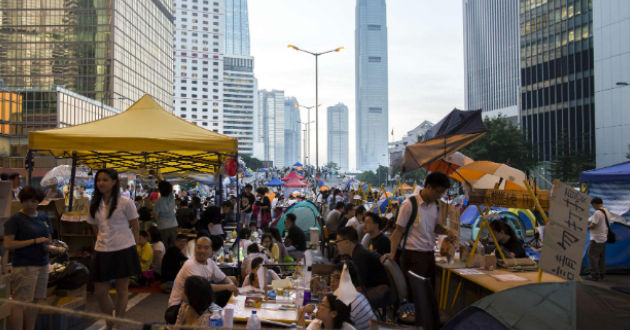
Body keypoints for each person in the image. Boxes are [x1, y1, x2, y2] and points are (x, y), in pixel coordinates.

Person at [87, 168, 141, 330]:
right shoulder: (94, 203)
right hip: (102, 250)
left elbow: (135, 226)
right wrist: (102, 238)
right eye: (99, 180)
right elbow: (94, 226)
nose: (101, 183)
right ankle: (110, 320)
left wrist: (135, 247)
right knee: (100, 291)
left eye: (105, 180)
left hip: (124, 248)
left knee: (122, 290)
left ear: (114, 182)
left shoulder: (125, 202)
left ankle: (118, 323)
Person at [384, 172, 455, 294]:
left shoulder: (437, 205)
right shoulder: (409, 204)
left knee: (428, 292)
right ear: (428, 187)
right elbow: (398, 231)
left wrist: (447, 232)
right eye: (438, 191)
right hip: (412, 256)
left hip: (429, 255)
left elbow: (436, 227)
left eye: (442, 192)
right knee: (413, 294)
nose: (440, 195)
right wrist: (392, 253)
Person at [4, 186, 59, 330]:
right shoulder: (15, 219)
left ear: (39, 202)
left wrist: (52, 248)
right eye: (26, 201)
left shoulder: (43, 218)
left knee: (35, 301)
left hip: (42, 263)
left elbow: (47, 240)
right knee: (20, 303)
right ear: (22, 201)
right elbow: (8, 244)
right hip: (24, 265)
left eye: (34, 201)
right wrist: (33, 241)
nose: (30, 204)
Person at [165, 236, 239, 324]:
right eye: (199, 247)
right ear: (195, 248)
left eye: (206, 248)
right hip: (178, 307)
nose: (202, 251)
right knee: (222, 291)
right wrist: (228, 286)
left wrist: (231, 286)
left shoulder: (210, 262)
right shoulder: (190, 265)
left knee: (226, 291)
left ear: (211, 250)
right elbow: (202, 289)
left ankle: (216, 317)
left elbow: (224, 279)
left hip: (198, 301)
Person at [336, 227, 390, 307]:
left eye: (338, 241)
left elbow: (360, 287)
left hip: (381, 290)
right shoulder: (358, 251)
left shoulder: (360, 255)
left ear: (347, 242)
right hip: (376, 286)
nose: (336, 244)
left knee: (342, 300)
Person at [329, 262, 376, 330]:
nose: (332, 280)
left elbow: (336, 326)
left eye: (337, 277)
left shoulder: (349, 302)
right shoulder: (351, 294)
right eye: (332, 276)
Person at [587, 197, 611, 281]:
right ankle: (601, 274)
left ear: (595, 204)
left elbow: (594, 225)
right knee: (601, 257)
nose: (592, 207)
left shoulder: (597, 212)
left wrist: (586, 227)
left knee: (592, 256)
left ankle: (594, 275)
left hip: (596, 238)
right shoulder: (606, 211)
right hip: (603, 237)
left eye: (592, 205)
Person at [154, 181, 178, 248]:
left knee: (164, 247)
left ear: (160, 190)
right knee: (173, 247)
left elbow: (155, 215)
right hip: (174, 226)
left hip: (163, 227)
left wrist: (157, 221)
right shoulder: (172, 197)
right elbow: (168, 187)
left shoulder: (159, 201)